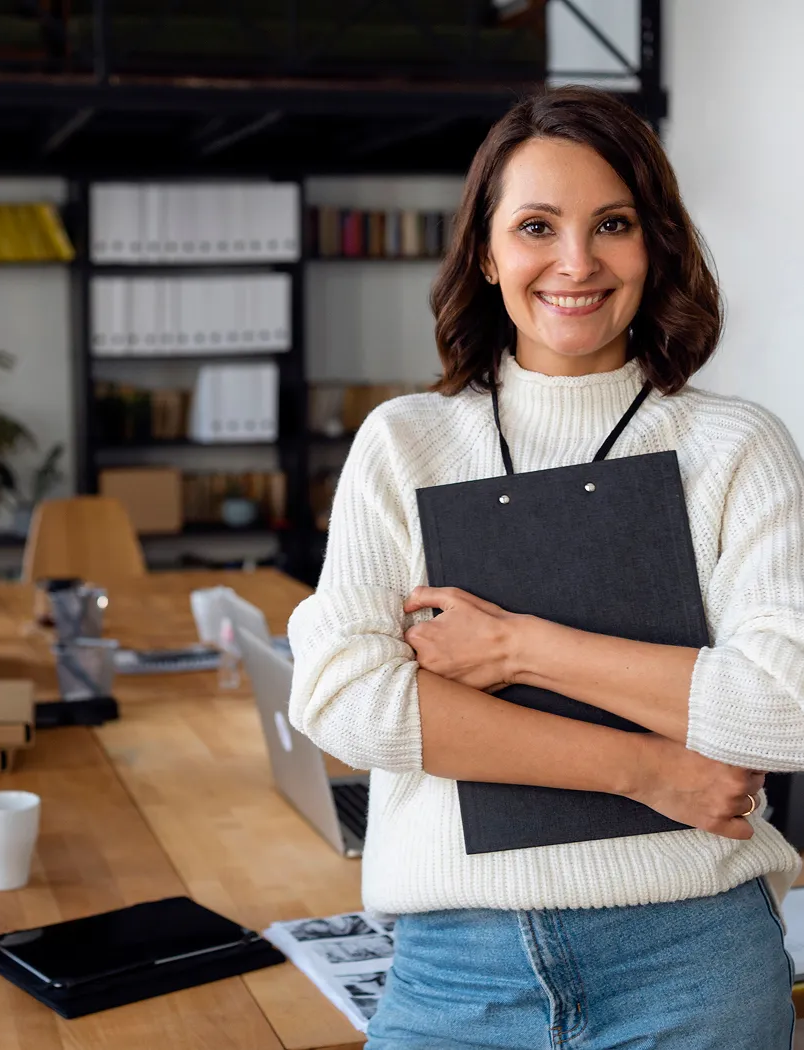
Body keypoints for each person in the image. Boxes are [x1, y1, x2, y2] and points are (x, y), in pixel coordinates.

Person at [288, 85, 803, 1048]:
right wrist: (650, 769)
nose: (577, 263)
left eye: (612, 223)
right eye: (537, 226)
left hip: (691, 963)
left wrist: (519, 649)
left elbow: (786, 705)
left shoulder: (737, 446)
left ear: (655, 244)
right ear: (486, 253)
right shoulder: (408, 443)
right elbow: (344, 697)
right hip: (456, 973)